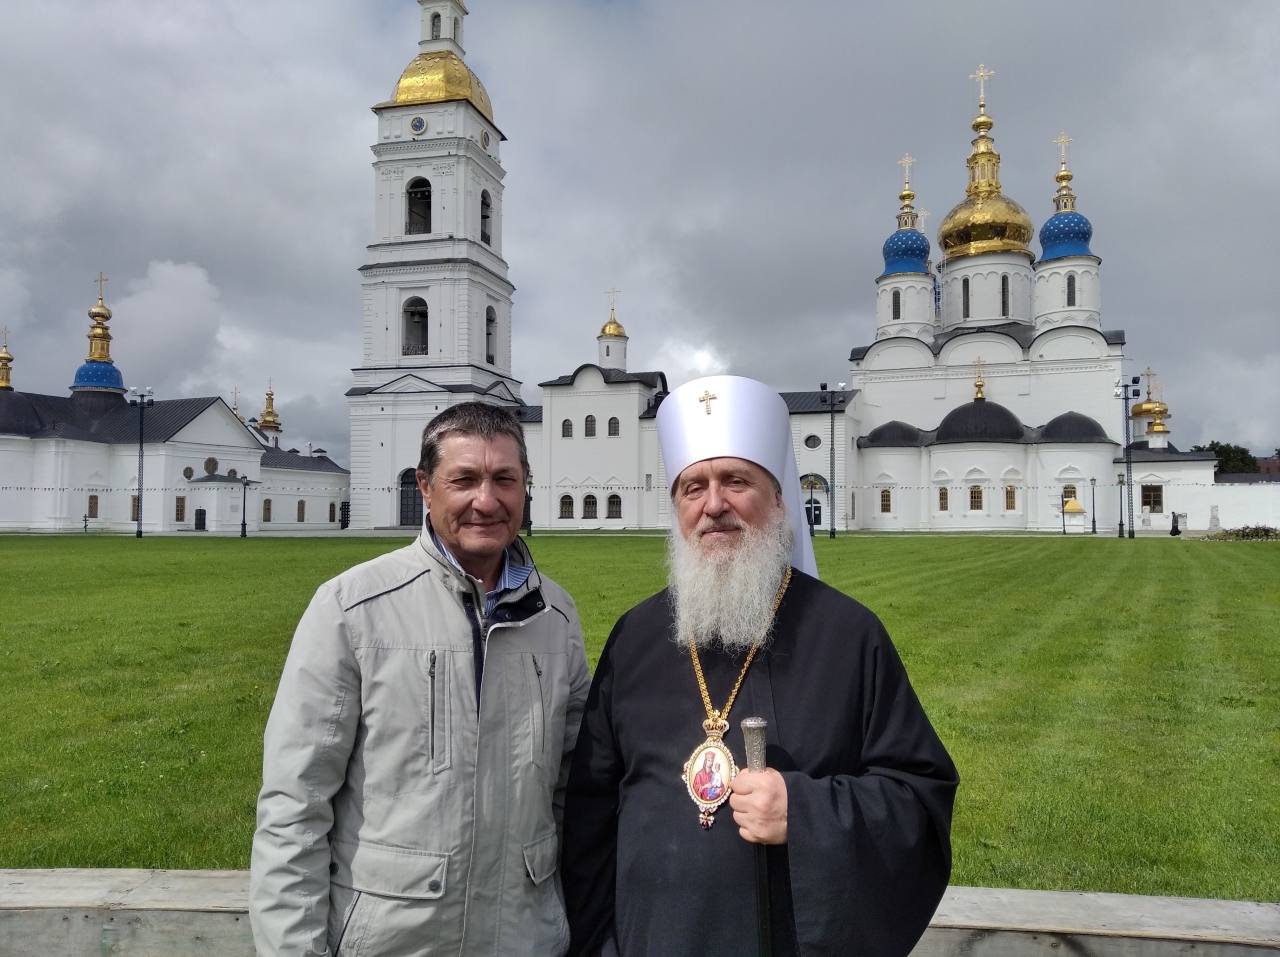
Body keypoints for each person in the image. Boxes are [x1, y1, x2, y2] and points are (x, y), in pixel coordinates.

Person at [561, 375, 959, 957]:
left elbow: (918, 802)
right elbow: (589, 814)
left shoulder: (849, 636)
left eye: (736, 481)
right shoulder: (636, 637)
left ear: (778, 500)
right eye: (692, 488)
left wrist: (808, 813)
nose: (713, 505)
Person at [250, 402, 591, 957]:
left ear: (526, 487)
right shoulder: (354, 608)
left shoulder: (555, 615)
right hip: (394, 939)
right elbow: (295, 803)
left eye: (505, 479)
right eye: (464, 480)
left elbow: (572, 789)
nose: (487, 500)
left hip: (521, 938)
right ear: (426, 488)